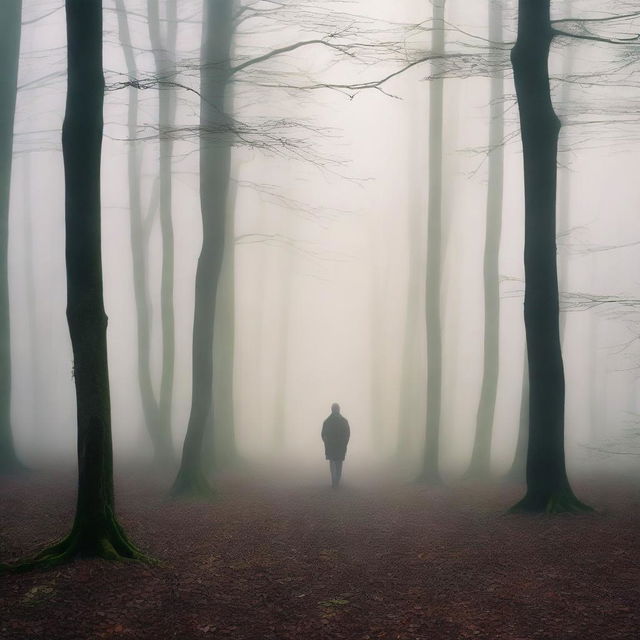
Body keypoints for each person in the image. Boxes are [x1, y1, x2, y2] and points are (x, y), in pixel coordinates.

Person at [321, 403, 350, 488]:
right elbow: (347, 434)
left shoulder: (327, 421)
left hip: (332, 447)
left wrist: (326, 442)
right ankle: (336, 480)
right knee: (338, 464)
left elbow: (323, 435)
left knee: (334, 464)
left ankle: (335, 480)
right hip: (339, 447)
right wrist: (345, 443)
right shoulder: (344, 421)